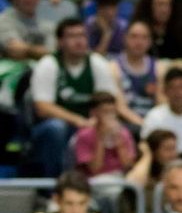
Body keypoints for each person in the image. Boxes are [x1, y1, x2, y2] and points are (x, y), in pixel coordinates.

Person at [30, 18, 120, 177]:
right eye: (72, 36)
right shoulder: (49, 64)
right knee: (56, 127)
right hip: (53, 129)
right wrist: (77, 120)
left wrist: (98, 122)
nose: (79, 41)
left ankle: (103, 180)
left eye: (82, 35)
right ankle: (54, 185)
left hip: (91, 124)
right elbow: (42, 107)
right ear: (60, 41)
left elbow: (109, 101)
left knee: (112, 124)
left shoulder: (96, 63)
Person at [143, 68, 182, 162]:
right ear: (164, 91)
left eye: (181, 87)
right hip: (165, 166)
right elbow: (147, 149)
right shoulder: (154, 117)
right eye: (172, 88)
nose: (177, 93)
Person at [73, 91, 137, 177]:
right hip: (94, 181)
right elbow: (94, 169)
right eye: (105, 112)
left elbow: (128, 166)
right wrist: (101, 138)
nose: (110, 116)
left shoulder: (124, 133)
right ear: (93, 113)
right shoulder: (84, 135)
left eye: (112, 112)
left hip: (121, 179)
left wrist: (119, 143)